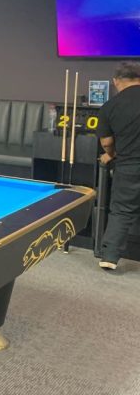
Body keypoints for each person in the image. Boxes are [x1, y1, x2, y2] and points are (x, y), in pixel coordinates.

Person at [96, 61, 140, 271]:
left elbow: (107, 143)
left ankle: (109, 258)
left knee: (121, 211)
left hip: (128, 165)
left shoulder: (110, 106)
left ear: (115, 81)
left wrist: (110, 155)